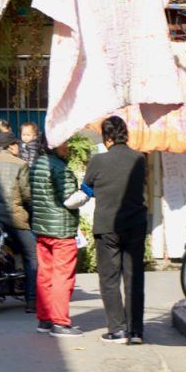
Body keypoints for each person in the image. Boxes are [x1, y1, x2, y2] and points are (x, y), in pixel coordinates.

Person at [84, 116, 147, 345]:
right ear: (125, 134)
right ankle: (136, 331)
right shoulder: (139, 158)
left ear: (107, 137)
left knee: (109, 279)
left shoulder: (98, 161)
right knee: (134, 278)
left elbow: (87, 186)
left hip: (107, 226)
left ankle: (118, 330)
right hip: (136, 225)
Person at [0, 131, 38, 313]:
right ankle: (32, 300)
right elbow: (26, 195)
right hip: (12, 218)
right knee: (32, 254)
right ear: (10, 146)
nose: (19, 147)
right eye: (17, 144)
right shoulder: (21, 164)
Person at [30, 140, 81, 336]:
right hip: (61, 230)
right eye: (64, 143)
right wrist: (85, 194)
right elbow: (70, 200)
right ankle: (60, 323)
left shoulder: (36, 164)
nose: (67, 147)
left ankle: (44, 320)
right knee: (62, 276)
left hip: (42, 229)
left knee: (45, 275)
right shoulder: (60, 168)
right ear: (53, 145)